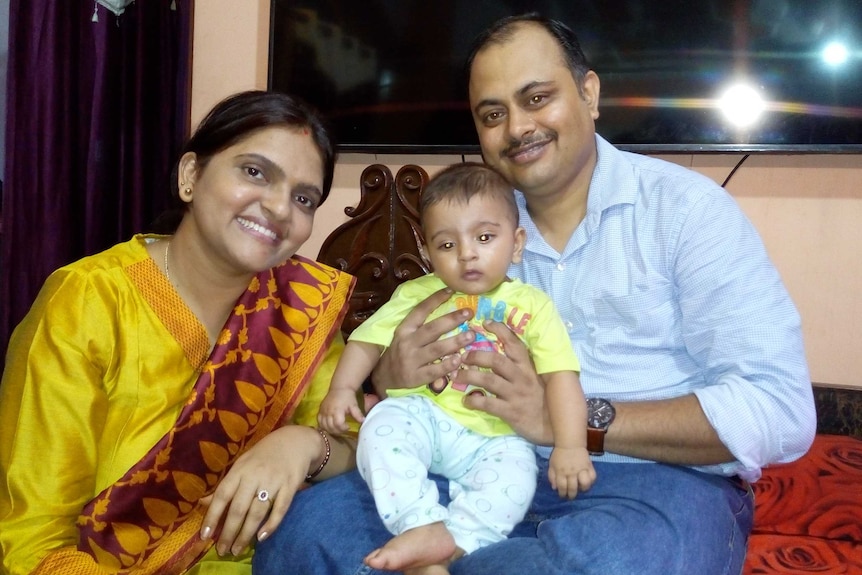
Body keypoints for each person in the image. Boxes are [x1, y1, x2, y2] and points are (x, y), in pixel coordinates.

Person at [253, 13, 817, 575]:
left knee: (613, 563)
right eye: (492, 114)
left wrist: (572, 422)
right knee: (305, 536)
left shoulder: (687, 213)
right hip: (474, 462)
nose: (516, 128)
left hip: (651, 487)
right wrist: (392, 374)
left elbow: (781, 410)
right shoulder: (471, 231)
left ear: (589, 93)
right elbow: (396, 367)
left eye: (536, 98)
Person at [0, 90, 359, 574]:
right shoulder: (90, 301)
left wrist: (302, 444)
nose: (278, 207)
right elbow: (31, 538)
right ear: (190, 176)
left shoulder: (299, 307)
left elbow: (362, 452)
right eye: (255, 172)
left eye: (303, 198)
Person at [317, 162, 593, 574]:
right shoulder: (416, 293)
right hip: (424, 416)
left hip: (497, 437)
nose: (467, 254)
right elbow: (366, 342)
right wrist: (342, 390)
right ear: (427, 253)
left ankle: (452, 542)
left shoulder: (534, 306)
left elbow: (561, 378)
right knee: (382, 428)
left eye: (484, 237)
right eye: (447, 245)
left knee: (516, 482)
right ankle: (417, 522)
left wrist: (572, 447)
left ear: (516, 244)